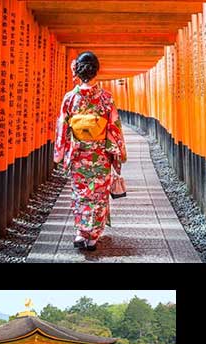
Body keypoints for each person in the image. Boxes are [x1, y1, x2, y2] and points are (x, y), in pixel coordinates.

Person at [53, 51, 127, 251]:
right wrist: (118, 154)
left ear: (77, 70)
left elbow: (63, 127)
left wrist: (60, 153)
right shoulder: (106, 98)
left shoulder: (70, 98)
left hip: (78, 155)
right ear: (97, 71)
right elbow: (114, 128)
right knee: (99, 195)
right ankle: (93, 237)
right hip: (100, 155)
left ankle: (80, 232)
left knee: (81, 193)